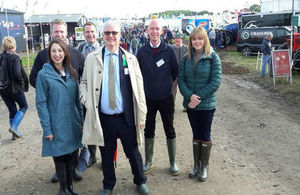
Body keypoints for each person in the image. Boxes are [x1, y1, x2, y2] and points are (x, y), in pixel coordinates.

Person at [79, 21, 149, 195]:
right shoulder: (92, 58)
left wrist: (142, 117)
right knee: (107, 154)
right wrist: (87, 102)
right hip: (104, 118)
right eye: (107, 33)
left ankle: (140, 180)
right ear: (102, 35)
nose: (111, 36)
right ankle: (108, 185)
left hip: (126, 117)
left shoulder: (130, 59)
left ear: (120, 35)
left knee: (133, 152)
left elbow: (140, 91)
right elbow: (84, 83)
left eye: (114, 33)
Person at [29, 19, 85, 183]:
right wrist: (48, 92)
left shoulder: (76, 54)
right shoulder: (42, 56)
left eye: (62, 31)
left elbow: (84, 76)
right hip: (56, 108)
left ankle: (73, 169)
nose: (59, 34)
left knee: (74, 139)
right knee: (58, 141)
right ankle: (59, 172)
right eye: (56, 32)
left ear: (66, 33)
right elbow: (34, 78)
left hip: (74, 105)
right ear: (51, 33)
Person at [178, 26, 222, 182]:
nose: (197, 42)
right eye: (194, 39)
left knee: (205, 134)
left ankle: (204, 166)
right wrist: (190, 96)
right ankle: (196, 165)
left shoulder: (213, 57)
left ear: (205, 40)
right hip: (191, 105)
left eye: (200, 38)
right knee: (196, 133)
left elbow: (215, 81)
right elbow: (181, 80)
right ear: (191, 41)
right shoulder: (185, 58)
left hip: (206, 105)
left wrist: (198, 97)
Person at [137, 19, 179, 176]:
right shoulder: (141, 52)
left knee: (169, 127)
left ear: (162, 31)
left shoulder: (168, 51)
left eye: (157, 29)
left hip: (166, 97)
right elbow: (138, 73)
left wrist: (166, 86)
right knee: (149, 128)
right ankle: (148, 161)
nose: (154, 32)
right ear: (147, 31)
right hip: (148, 98)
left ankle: (173, 161)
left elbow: (175, 71)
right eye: (151, 29)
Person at [77, 21, 101, 168]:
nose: (90, 34)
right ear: (84, 33)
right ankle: (92, 156)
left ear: (96, 32)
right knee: (89, 126)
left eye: (92, 31)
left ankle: (109, 158)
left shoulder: (105, 49)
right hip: (85, 96)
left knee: (105, 127)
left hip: (102, 95)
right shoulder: (79, 49)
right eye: (87, 32)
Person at [0, 36, 28, 140]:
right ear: (14, 45)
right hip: (15, 88)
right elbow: (17, 74)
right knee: (24, 106)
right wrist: (21, 82)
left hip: (3, 89)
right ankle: (14, 127)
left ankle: (14, 135)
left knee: (12, 109)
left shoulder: (1, 57)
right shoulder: (15, 57)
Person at [171, 32, 188, 102]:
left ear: (182, 39)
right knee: (172, 91)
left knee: (185, 90)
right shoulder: (171, 48)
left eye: (179, 38)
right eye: (176, 38)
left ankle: (186, 105)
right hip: (173, 74)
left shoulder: (186, 48)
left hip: (184, 73)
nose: (178, 40)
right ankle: (172, 105)